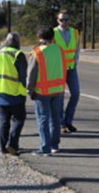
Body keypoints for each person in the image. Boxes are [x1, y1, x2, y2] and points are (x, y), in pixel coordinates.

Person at [27, 27, 67, 156]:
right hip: (58, 90)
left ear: (39, 38)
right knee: (55, 119)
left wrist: (30, 91)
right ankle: (54, 145)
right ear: (52, 37)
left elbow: (31, 74)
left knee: (43, 119)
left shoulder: (37, 53)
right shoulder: (59, 50)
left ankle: (45, 148)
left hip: (42, 91)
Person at [0, 32, 27, 156]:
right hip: (15, 92)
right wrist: (26, 88)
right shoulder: (17, 54)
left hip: (0, 92)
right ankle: (12, 144)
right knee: (19, 119)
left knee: (4, 121)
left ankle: (3, 147)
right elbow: (22, 75)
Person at [54, 10, 80, 133]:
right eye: (61, 20)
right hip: (58, 69)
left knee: (75, 94)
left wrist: (75, 61)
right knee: (60, 97)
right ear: (57, 20)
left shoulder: (75, 32)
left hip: (71, 68)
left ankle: (68, 121)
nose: (64, 22)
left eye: (66, 20)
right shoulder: (53, 33)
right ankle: (61, 124)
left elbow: (77, 48)